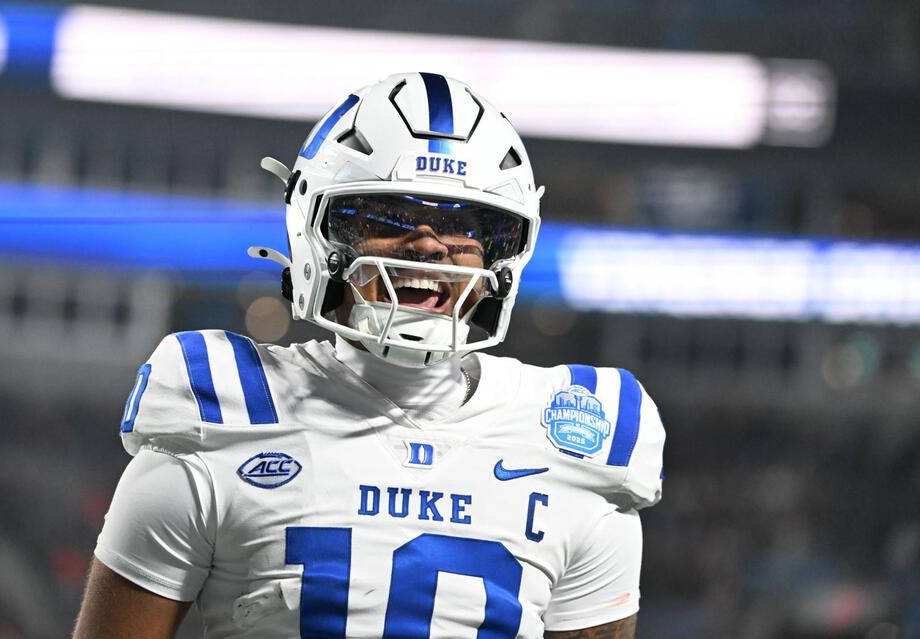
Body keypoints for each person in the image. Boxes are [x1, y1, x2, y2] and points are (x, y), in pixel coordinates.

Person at [73, 72, 665, 639]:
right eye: (392, 215)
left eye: (464, 223)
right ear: (319, 231)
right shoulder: (220, 417)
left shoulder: (579, 443)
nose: (429, 245)